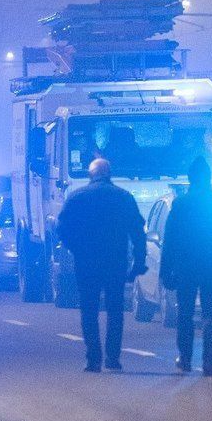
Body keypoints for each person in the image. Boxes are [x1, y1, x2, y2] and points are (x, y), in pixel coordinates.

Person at [57, 158, 147, 372]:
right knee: (115, 309)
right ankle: (113, 358)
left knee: (89, 310)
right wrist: (138, 262)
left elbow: (61, 228)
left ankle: (93, 358)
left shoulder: (77, 197)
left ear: (91, 174)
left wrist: (75, 248)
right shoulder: (124, 197)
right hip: (115, 261)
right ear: (109, 173)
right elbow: (137, 232)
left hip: (86, 262)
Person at [159, 156, 212, 376]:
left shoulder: (180, 204)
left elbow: (170, 240)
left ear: (191, 178)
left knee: (185, 314)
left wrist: (165, 271)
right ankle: (208, 361)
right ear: (209, 177)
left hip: (186, 267)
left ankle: (186, 359)